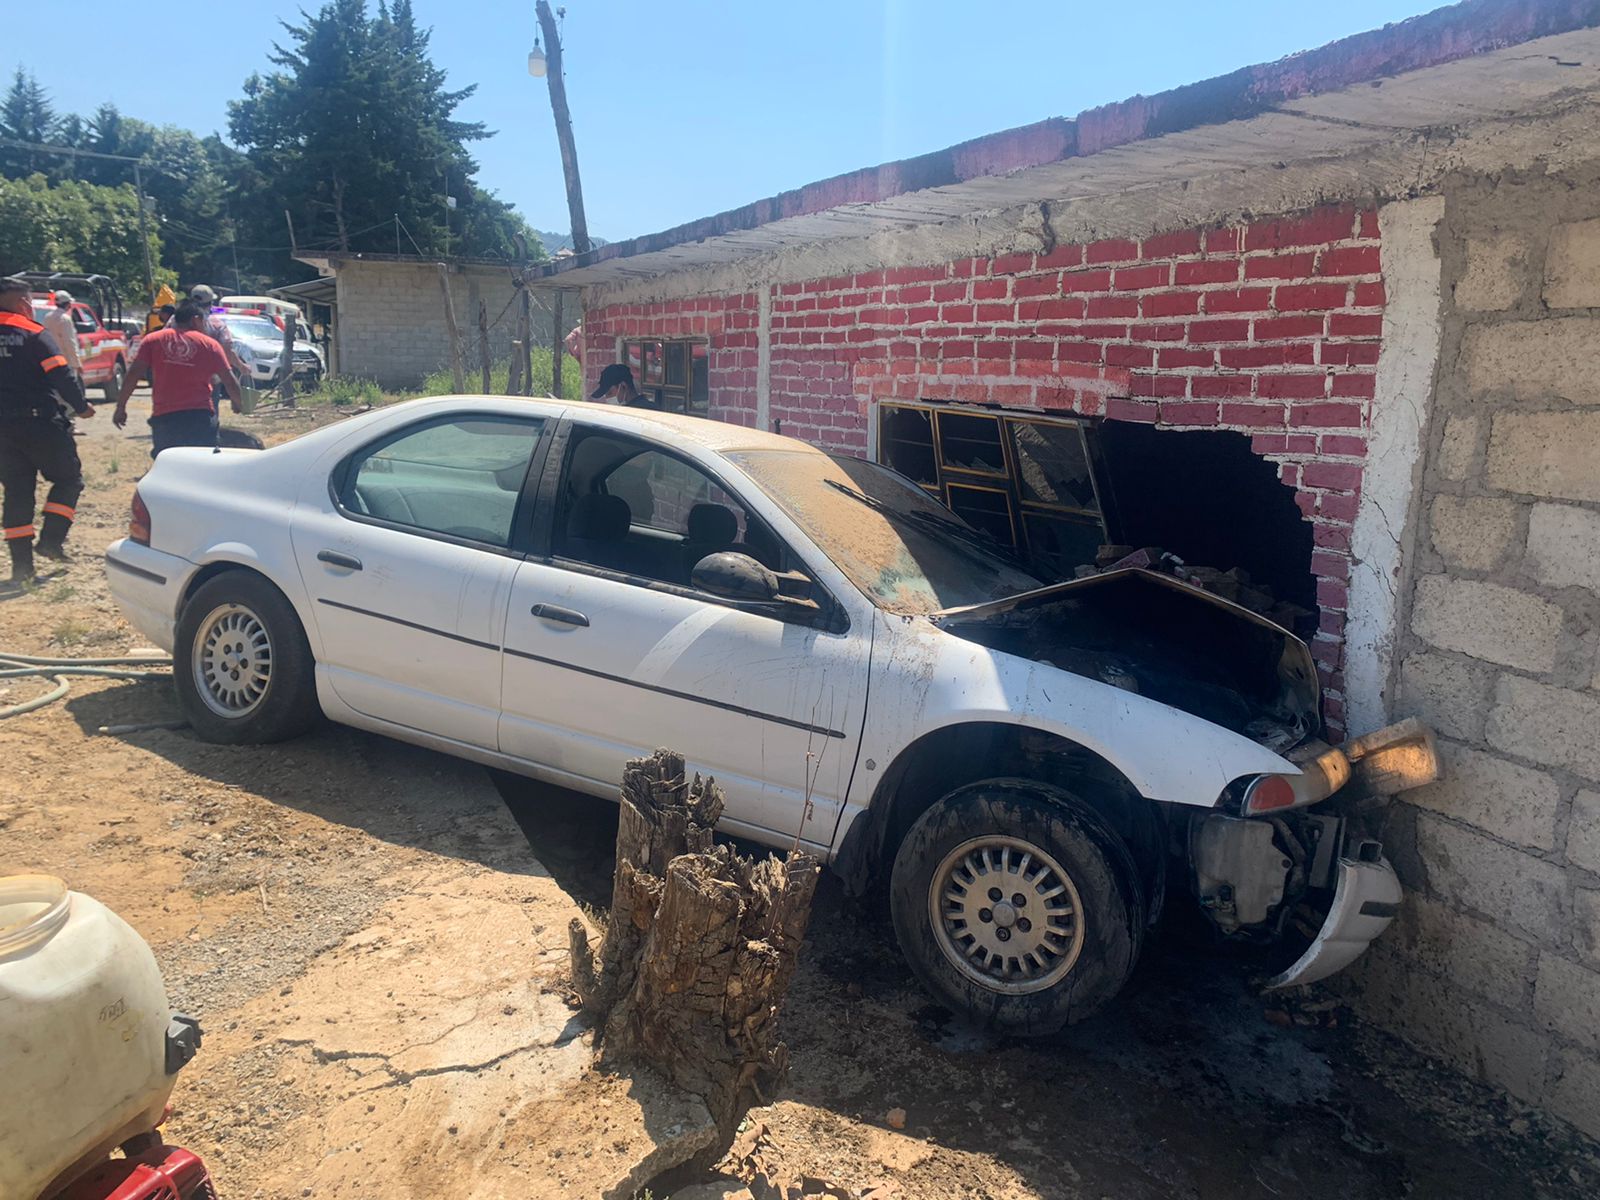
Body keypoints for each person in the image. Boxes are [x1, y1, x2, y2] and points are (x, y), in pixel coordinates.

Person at [0, 278, 95, 585]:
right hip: (40, 423)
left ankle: (22, 570)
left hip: (3, 431)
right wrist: (81, 406)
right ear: (22, 303)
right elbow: (61, 374)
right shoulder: (33, 333)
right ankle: (51, 541)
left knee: (17, 492)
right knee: (69, 480)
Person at [114, 300, 241, 456]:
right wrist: (239, 403)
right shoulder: (210, 345)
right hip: (200, 417)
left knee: (168, 464)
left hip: (165, 417)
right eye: (203, 322)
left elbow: (133, 375)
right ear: (196, 320)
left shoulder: (152, 340)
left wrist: (121, 407)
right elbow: (229, 380)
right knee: (202, 463)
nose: (204, 326)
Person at [40, 291, 84, 389]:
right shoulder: (65, 319)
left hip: (51, 359)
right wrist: (77, 364)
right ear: (68, 304)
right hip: (65, 361)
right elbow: (70, 342)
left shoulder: (48, 317)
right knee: (69, 388)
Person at [590, 362, 660, 409]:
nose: (607, 398)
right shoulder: (625, 410)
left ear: (623, 386)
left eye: (610, 393)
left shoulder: (642, 411)